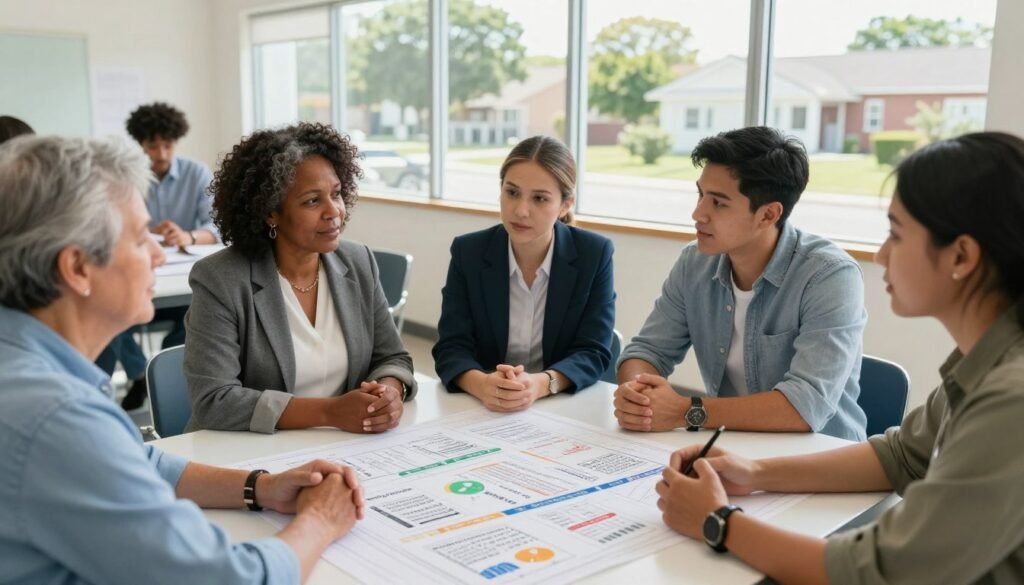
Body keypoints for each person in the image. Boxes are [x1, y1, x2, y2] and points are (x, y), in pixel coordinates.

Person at [657, 131, 1024, 584]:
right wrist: (753, 473)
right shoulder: (985, 362)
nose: (880, 253)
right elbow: (902, 457)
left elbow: (881, 571)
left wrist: (718, 523)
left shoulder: (1011, 399)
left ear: (962, 255)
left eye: (896, 233)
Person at [0, 135, 365, 584]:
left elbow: (140, 461)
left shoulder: (29, 367)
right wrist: (321, 521)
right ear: (77, 268)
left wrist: (262, 486)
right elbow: (228, 579)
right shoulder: (58, 418)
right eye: (139, 239)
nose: (158, 253)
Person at [614, 127, 868, 440]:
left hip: (821, 459)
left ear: (767, 215)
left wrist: (684, 410)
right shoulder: (694, 263)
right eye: (700, 195)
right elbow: (647, 351)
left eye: (718, 203)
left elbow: (806, 406)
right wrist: (639, 395)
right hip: (730, 447)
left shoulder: (830, 276)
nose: (698, 214)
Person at [184, 122, 415, 434]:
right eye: (312, 200)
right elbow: (215, 400)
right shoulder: (220, 279)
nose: (334, 211)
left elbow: (392, 356)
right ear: (270, 212)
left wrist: (390, 393)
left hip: (347, 445)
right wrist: (330, 412)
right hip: (251, 453)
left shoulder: (358, 261)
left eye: (336, 194)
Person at [432, 135, 616, 410]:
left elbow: (594, 351)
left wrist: (543, 383)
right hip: (484, 408)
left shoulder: (594, 254)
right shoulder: (468, 251)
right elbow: (451, 346)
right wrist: (481, 384)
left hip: (560, 405)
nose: (521, 211)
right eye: (512, 192)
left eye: (540, 198)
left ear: (565, 205)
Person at [117, 102, 217, 408]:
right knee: (110, 319)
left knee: (192, 326)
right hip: (140, 284)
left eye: (167, 145)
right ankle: (140, 373)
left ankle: (163, 379)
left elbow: (217, 226)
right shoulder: (127, 178)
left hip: (181, 287)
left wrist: (188, 236)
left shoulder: (196, 173)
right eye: (152, 145)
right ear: (140, 144)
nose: (161, 153)